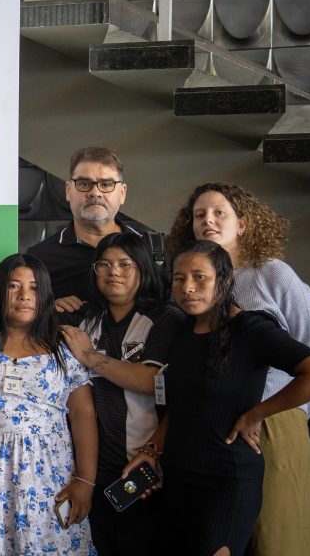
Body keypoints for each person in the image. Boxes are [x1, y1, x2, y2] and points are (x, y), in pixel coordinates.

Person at [125, 241, 310, 556]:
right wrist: (151, 451)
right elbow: (182, 406)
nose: (187, 288)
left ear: (223, 281)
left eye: (200, 277)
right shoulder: (184, 330)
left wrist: (257, 415)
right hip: (179, 479)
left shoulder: (250, 328)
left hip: (226, 481)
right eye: (179, 278)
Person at [168, 183, 310, 556]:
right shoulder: (189, 283)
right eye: (199, 215)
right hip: (211, 432)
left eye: (219, 213)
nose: (207, 221)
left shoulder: (273, 275)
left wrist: (276, 415)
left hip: (270, 423)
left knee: (279, 541)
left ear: (243, 224)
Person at [58, 232, 183, 555]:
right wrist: (53, 305)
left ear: (143, 269)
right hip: (89, 472)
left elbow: (149, 380)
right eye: (105, 265)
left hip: (143, 469)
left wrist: (90, 357)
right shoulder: (86, 319)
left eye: (125, 264)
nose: (114, 272)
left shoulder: (165, 318)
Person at [0, 253, 97, 555]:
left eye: (34, 288)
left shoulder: (63, 347)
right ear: (0, 291)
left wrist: (86, 481)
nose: (24, 296)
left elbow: (83, 414)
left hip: (52, 480)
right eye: (14, 286)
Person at [28, 146, 158, 311]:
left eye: (106, 184)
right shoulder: (40, 258)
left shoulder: (151, 248)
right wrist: (48, 312)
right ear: (68, 190)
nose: (95, 193)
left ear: (122, 193)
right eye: (84, 183)